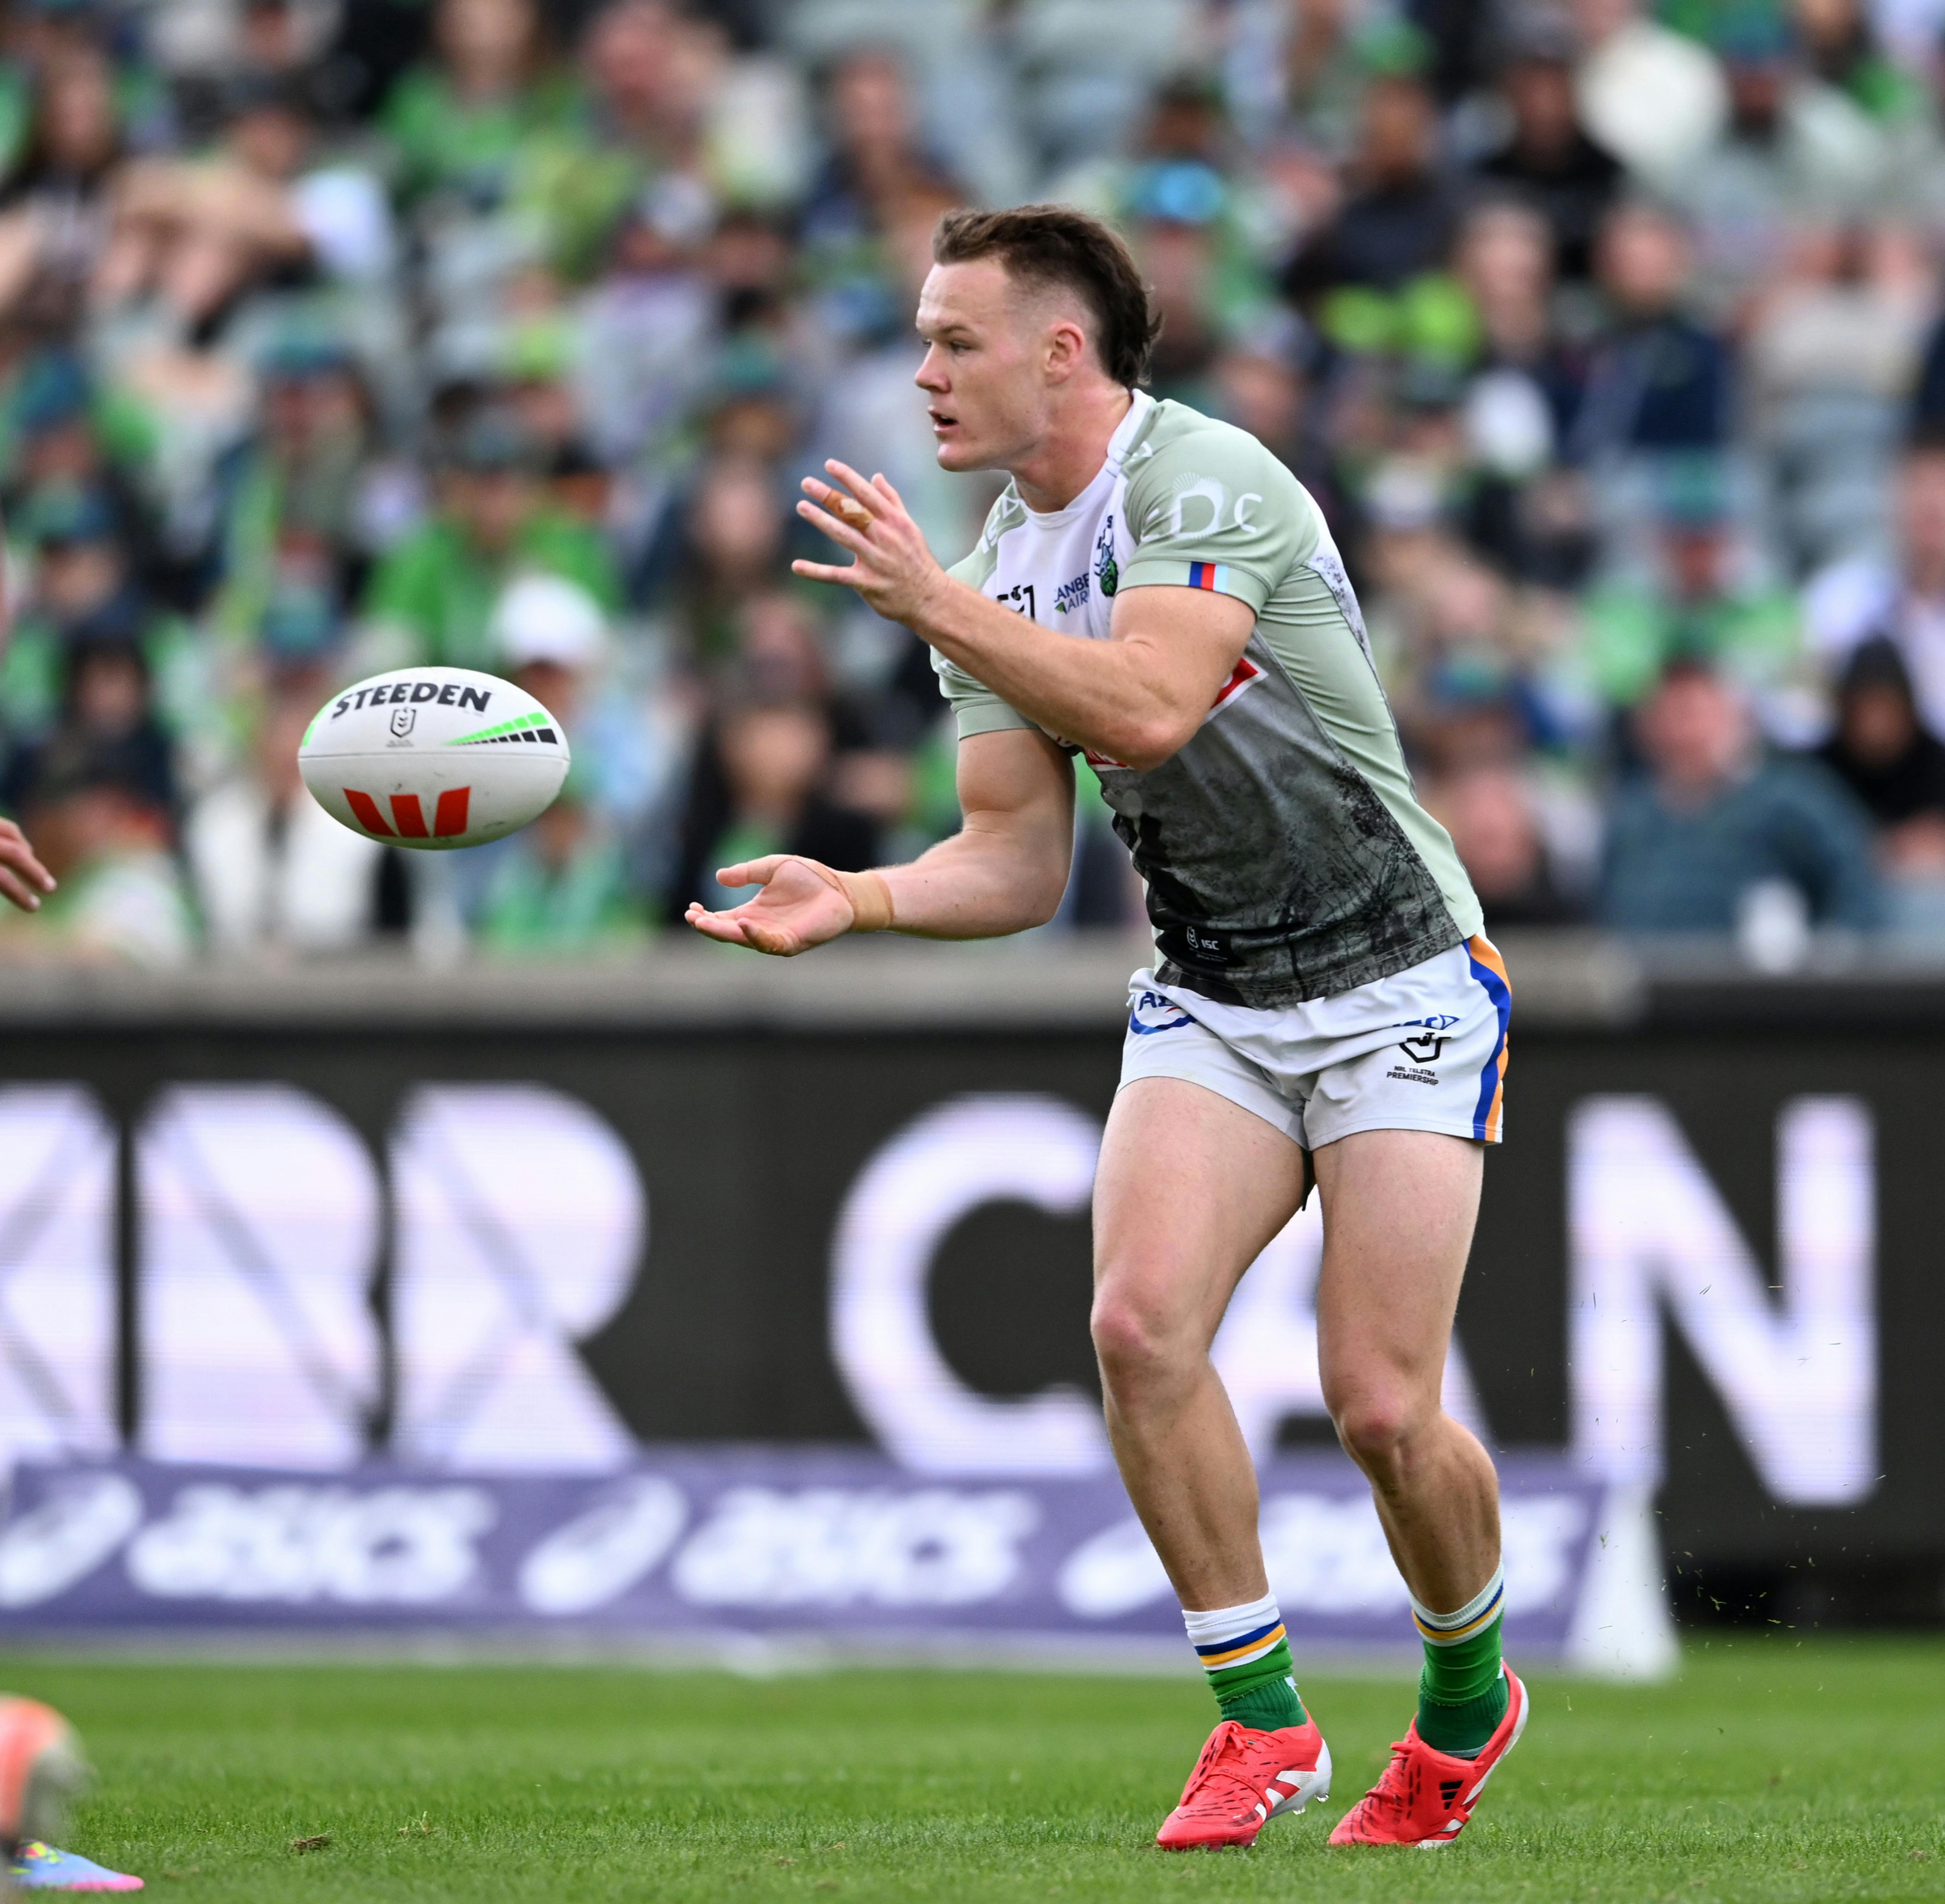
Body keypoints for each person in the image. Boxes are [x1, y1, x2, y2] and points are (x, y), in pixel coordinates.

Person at [686, 204, 1524, 1850]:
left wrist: (937, 608)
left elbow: (1147, 701)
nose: (922, 372)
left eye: (955, 339)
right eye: (923, 339)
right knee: (1139, 1330)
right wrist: (851, 896)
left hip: (1401, 975)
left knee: (1380, 1407)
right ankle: (1261, 1723)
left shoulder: (1203, 479)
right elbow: (1011, 862)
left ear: (1062, 351)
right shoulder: (996, 567)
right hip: (1213, 984)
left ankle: (1465, 1689)